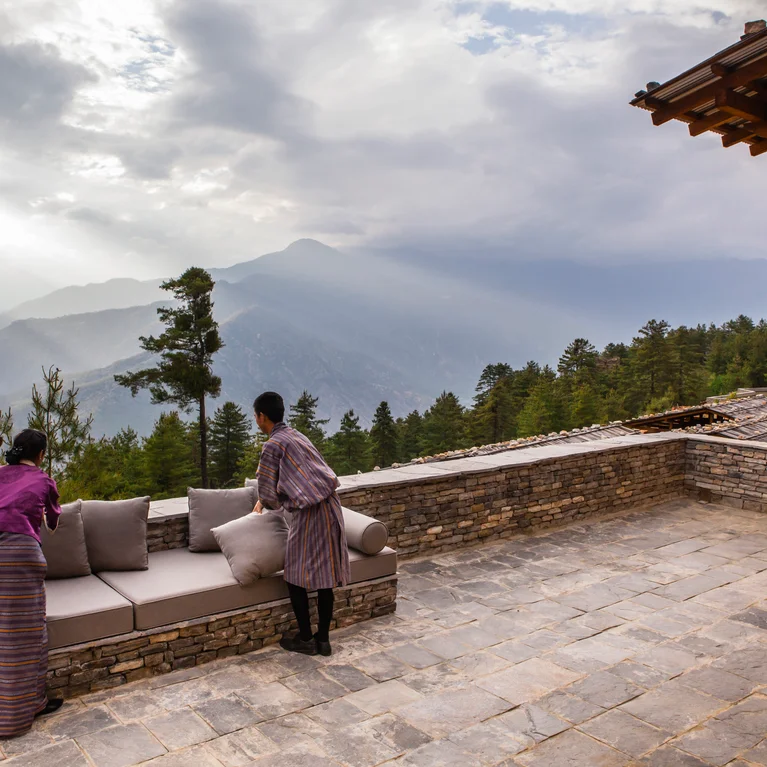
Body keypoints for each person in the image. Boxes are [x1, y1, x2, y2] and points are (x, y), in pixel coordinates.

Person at [253, 392, 350, 656]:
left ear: (262, 416)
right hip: (332, 506)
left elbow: (268, 493)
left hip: (309, 514)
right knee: (326, 576)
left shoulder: (272, 446)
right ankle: (324, 640)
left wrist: (265, 503)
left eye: (256, 416)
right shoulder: (297, 435)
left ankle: (306, 637)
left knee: (294, 575)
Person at [0, 429, 63, 738]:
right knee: (28, 636)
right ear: (41, 455)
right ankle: (21, 712)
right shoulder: (43, 480)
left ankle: (32, 703)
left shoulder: (0, 474)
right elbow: (52, 523)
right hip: (21, 559)